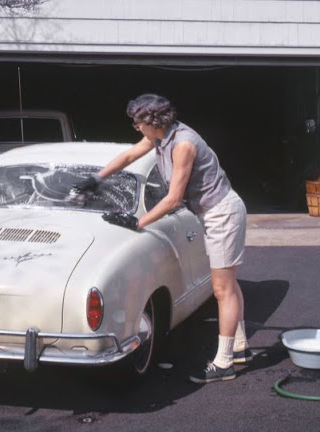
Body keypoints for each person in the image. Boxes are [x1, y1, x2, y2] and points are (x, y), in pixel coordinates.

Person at [73, 94, 251, 383]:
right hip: (212, 213)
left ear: (152, 121)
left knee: (222, 289)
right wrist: (97, 178)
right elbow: (129, 156)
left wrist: (137, 222)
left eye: (137, 122)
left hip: (222, 213)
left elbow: (174, 199)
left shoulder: (182, 145)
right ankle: (240, 347)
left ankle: (225, 362)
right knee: (228, 285)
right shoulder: (159, 137)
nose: (136, 127)